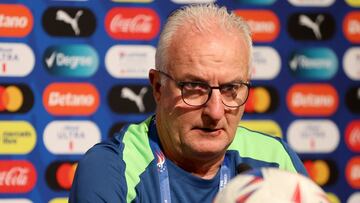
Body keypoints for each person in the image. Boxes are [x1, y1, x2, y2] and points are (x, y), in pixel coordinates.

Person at [69, 3, 307, 203]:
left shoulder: (275, 159)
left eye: (231, 89)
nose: (215, 112)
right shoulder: (111, 170)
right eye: (194, 88)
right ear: (158, 87)